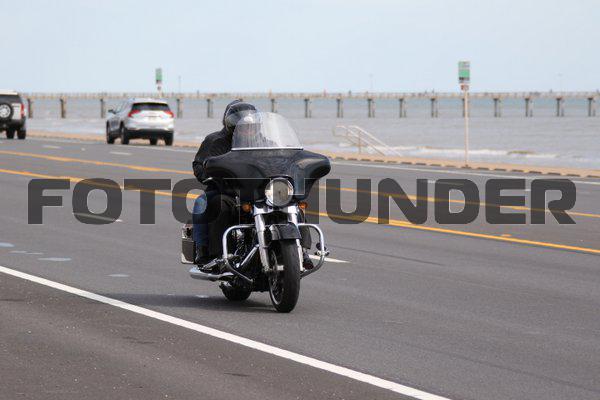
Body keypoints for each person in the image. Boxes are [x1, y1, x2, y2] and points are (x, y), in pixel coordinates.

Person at [192, 100, 257, 266]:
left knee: (292, 203)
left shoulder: (263, 142)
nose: (247, 130)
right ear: (232, 126)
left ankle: (301, 251)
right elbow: (199, 164)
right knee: (208, 203)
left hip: (259, 193)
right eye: (243, 126)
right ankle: (209, 251)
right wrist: (208, 175)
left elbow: (278, 157)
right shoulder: (215, 141)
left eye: (250, 126)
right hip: (226, 191)